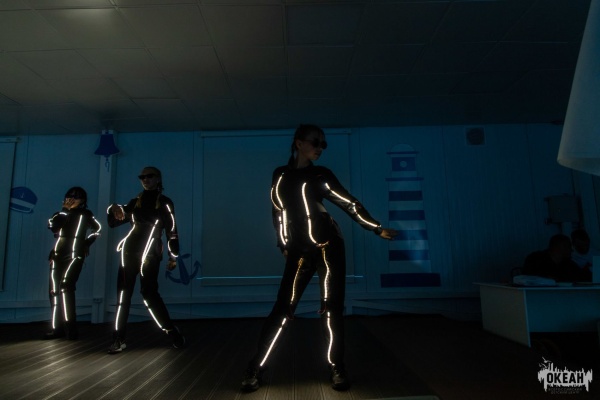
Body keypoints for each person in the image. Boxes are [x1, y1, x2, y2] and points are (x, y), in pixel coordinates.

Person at [241, 124, 398, 392]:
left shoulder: (320, 174)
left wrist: (375, 227)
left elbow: (348, 202)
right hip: (299, 250)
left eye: (323, 144)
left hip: (329, 246)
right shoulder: (281, 174)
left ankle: (337, 367)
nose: (320, 148)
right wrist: (284, 243)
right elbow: (277, 210)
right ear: (299, 143)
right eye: (316, 142)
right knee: (282, 308)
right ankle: (255, 368)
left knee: (331, 308)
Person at [106, 166, 185, 354]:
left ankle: (172, 333)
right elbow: (113, 222)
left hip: (150, 254)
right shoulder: (135, 202)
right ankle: (118, 338)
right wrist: (113, 207)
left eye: (149, 176)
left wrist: (173, 255)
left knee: (149, 294)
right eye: (142, 177)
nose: (145, 179)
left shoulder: (164, 203)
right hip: (129, 251)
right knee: (123, 295)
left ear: (158, 178)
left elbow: (172, 230)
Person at [45, 187, 101, 340]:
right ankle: (57, 329)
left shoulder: (86, 214)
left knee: (66, 286)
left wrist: (87, 243)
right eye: (69, 196)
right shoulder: (60, 214)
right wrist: (65, 210)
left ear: (82, 200)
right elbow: (54, 227)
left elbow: (98, 229)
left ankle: (71, 329)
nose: (71, 199)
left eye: (76, 197)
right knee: (54, 291)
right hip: (58, 254)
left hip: (75, 255)